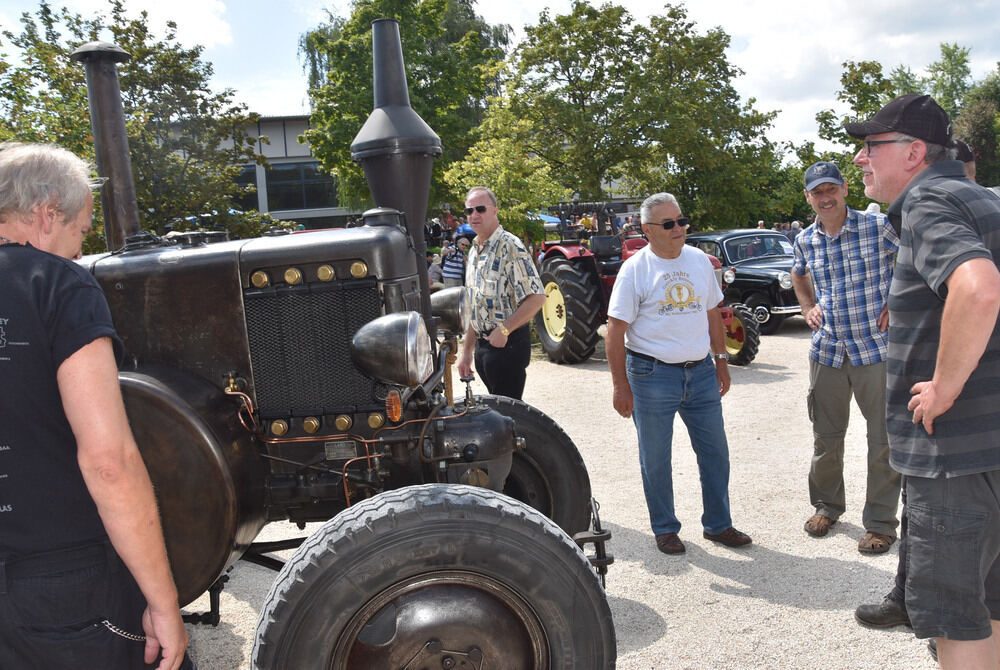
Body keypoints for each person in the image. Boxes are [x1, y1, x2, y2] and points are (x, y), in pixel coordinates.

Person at [0, 143, 188, 669]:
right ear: (45, 214)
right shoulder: (58, 283)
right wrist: (164, 602)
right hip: (61, 587)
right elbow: (108, 462)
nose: (81, 251)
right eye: (82, 230)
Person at [847, 94, 1000, 669]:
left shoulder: (929, 201)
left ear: (914, 152)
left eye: (871, 147)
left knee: (954, 623)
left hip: (955, 457)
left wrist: (944, 386)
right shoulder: (978, 197)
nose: (860, 159)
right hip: (990, 453)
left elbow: (979, 288)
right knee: (988, 608)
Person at [606, 191, 751, 555]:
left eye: (681, 221)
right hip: (652, 375)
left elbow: (712, 313)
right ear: (647, 229)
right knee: (655, 457)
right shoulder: (635, 269)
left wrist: (721, 362)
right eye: (668, 224)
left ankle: (718, 525)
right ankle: (665, 528)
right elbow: (615, 331)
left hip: (700, 373)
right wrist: (620, 387)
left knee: (715, 452)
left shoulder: (699, 260)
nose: (679, 228)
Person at [791, 160, 900, 554]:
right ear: (808, 197)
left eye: (830, 189)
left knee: (883, 439)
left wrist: (899, 303)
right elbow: (798, 273)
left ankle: (881, 523)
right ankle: (827, 505)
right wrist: (807, 306)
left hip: (876, 348)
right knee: (826, 437)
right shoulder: (805, 239)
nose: (825, 198)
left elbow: (914, 260)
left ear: (844, 189)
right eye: (817, 192)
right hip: (828, 351)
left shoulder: (878, 226)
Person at [457, 186, 546, 400]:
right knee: (498, 416)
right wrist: (467, 352)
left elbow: (537, 297)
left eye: (480, 209)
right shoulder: (474, 250)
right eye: (469, 211)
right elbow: (475, 305)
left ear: (495, 211)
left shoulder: (510, 246)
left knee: (508, 418)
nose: (474, 215)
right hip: (483, 347)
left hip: (507, 345)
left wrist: (504, 330)